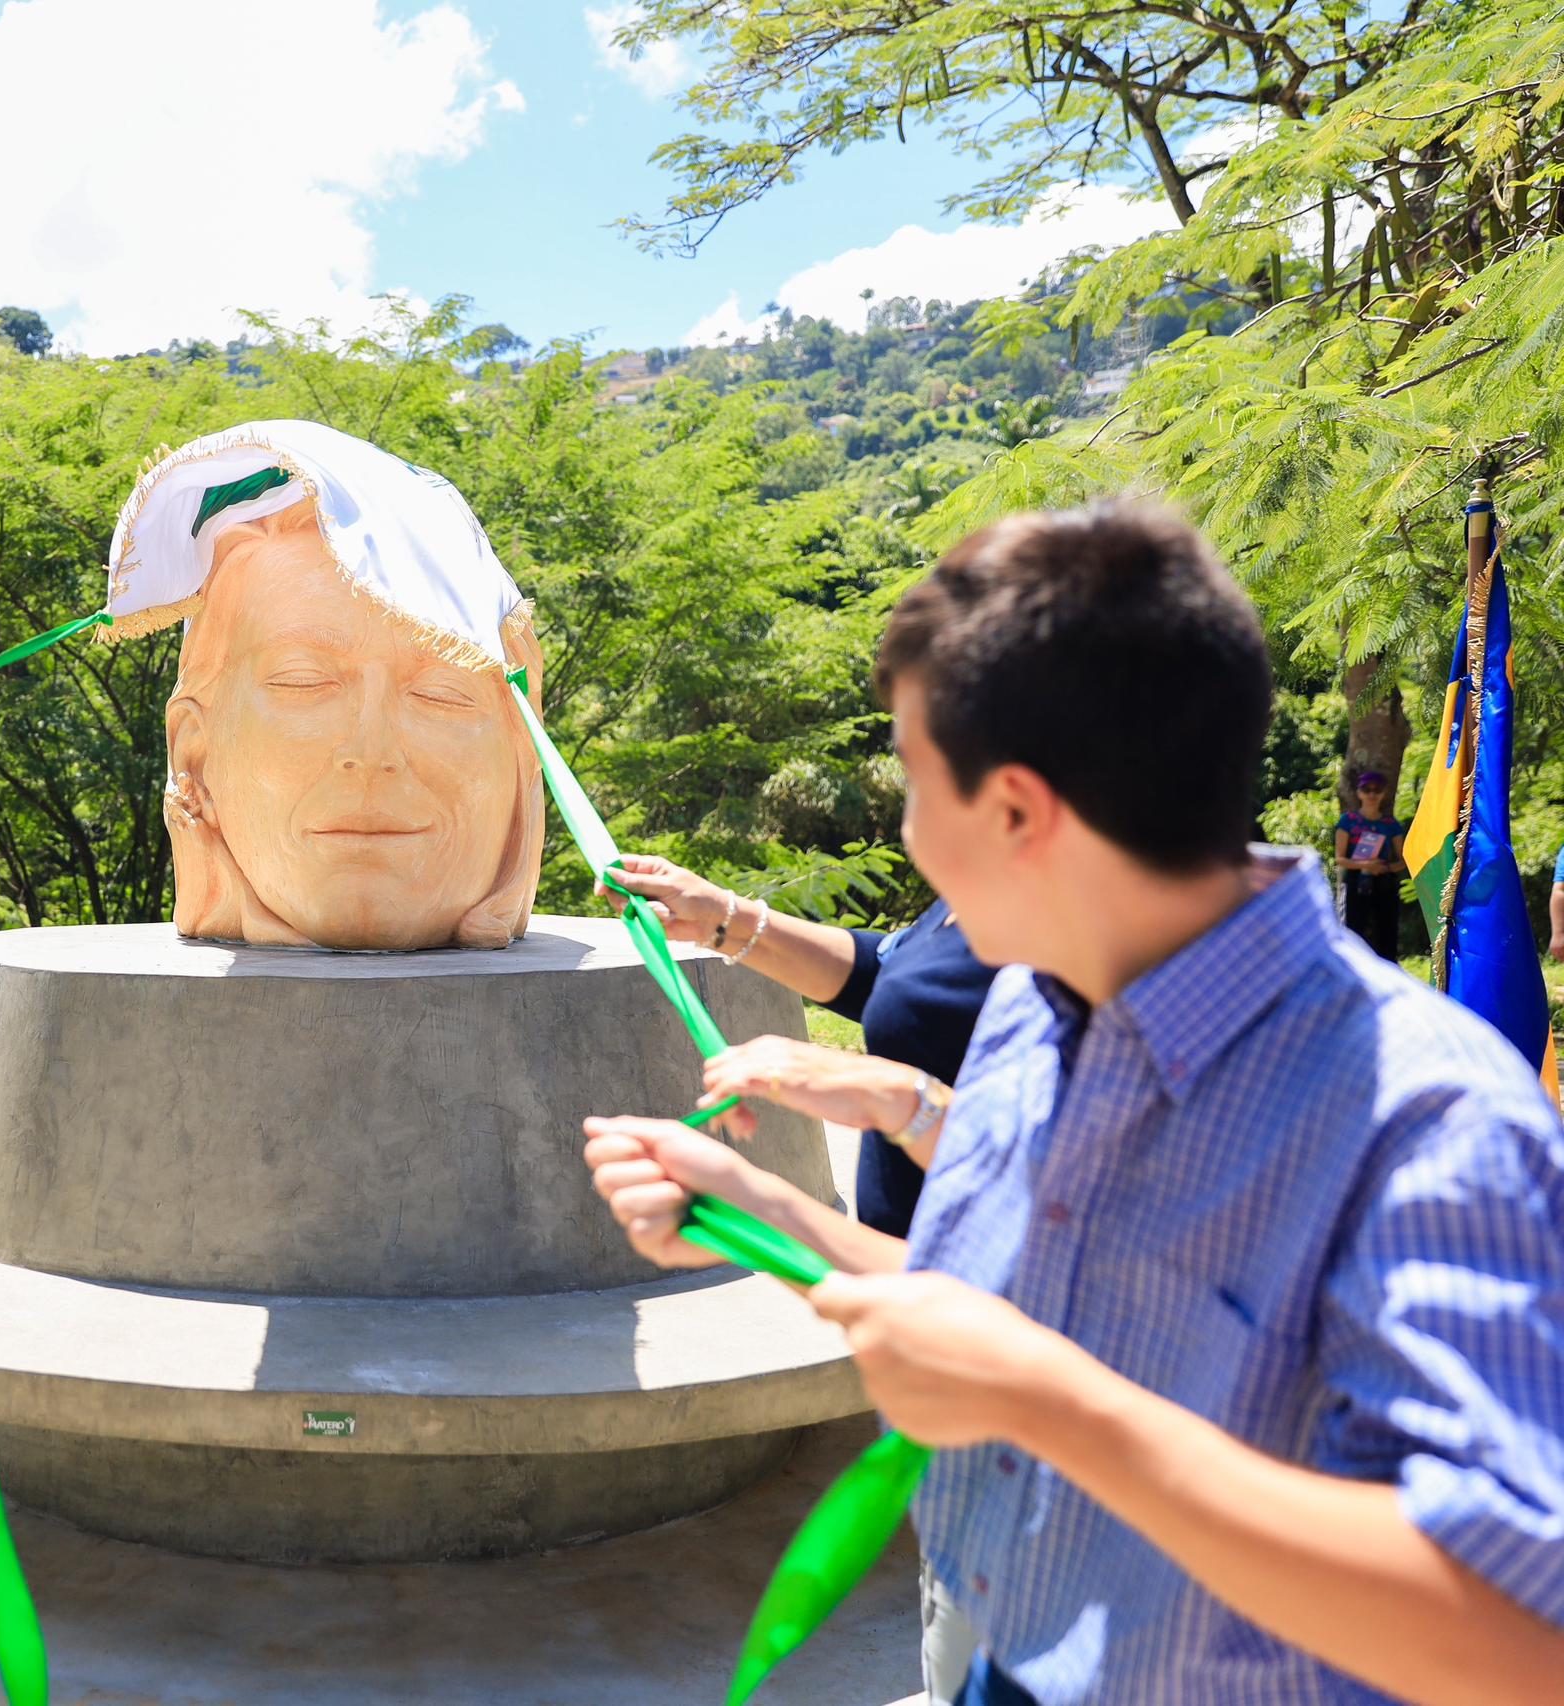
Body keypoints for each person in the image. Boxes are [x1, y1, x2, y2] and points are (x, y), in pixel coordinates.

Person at [585, 502, 1564, 1703]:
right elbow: (984, 1320)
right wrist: (761, 1212)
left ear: (1012, 811)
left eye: (910, 785)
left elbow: (1521, 1640)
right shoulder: (1032, 1006)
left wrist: (1054, 1407)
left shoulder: (1430, 1119)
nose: (901, 830)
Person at [600, 859, 996, 1240]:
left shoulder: (1049, 936)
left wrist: (899, 1100)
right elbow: (907, 976)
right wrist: (722, 917)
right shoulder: (996, 892)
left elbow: (1047, 1197)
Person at [1333, 770, 1406, 960]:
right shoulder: (1347, 821)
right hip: (1356, 882)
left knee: (1388, 933)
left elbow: (1404, 860)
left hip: (1384, 882)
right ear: (1359, 793)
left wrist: (1385, 868)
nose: (1372, 795)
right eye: (1367, 790)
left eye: (1377, 790)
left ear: (1383, 793)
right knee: (1353, 932)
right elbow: (1339, 859)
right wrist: (1366, 865)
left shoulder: (1391, 824)